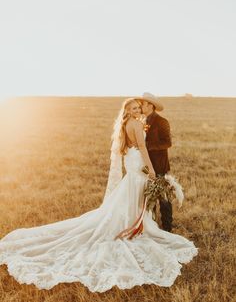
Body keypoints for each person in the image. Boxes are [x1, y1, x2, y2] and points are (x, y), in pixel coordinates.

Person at [0, 97, 198, 293]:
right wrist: (151, 170)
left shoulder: (127, 124)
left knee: (132, 194)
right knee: (135, 193)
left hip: (132, 162)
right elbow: (143, 147)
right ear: (128, 110)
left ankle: (136, 222)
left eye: (139, 107)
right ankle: (133, 225)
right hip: (139, 163)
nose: (138, 110)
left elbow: (135, 146)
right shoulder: (136, 125)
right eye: (134, 108)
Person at [138, 92, 173, 232]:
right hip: (145, 166)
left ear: (150, 105)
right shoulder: (142, 120)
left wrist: (148, 147)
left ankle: (167, 227)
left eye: (143, 104)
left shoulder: (162, 121)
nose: (141, 106)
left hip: (159, 165)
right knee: (149, 197)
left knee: (163, 198)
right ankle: (152, 227)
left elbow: (168, 143)